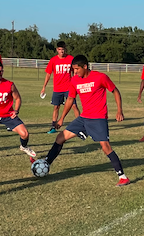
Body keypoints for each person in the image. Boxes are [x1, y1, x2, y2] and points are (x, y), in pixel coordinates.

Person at [44, 55, 130, 186]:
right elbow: (70, 100)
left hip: (98, 118)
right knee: (60, 138)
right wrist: (61, 119)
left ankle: (122, 177)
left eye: (77, 69)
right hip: (84, 118)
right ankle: (45, 164)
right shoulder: (74, 81)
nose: (75, 72)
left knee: (105, 147)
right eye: (73, 69)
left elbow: (115, 91)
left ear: (85, 66)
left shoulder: (100, 77)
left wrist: (119, 110)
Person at [40, 41, 80, 133]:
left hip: (69, 87)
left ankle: (80, 125)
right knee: (56, 107)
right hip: (57, 88)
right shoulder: (53, 60)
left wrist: (76, 82)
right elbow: (48, 74)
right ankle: (53, 126)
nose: (61, 51)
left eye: (63, 49)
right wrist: (44, 87)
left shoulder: (70, 58)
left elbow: (75, 71)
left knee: (73, 106)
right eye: (59, 49)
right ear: (57, 50)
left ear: (65, 49)